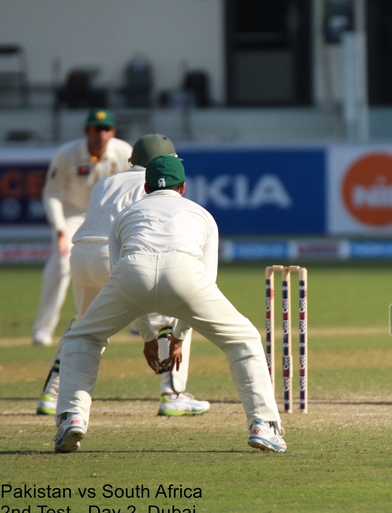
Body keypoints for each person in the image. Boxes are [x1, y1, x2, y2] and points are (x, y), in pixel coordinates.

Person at [53, 155, 285, 454]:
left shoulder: (125, 215)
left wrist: (148, 337)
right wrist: (178, 336)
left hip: (133, 272)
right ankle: (262, 425)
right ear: (183, 187)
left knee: (83, 336)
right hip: (184, 274)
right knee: (243, 340)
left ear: (146, 187)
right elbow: (206, 280)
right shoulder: (201, 214)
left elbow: (117, 277)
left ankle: (72, 417)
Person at [36, 134, 211, 418]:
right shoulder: (155, 185)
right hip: (115, 255)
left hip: (81, 256)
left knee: (84, 327)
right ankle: (173, 395)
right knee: (170, 318)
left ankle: (52, 395)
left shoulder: (106, 181)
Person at [32, 109, 131, 346]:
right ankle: (43, 329)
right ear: (87, 131)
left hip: (109, 215)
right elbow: (52, 194)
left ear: (113, 131)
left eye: (106, 129)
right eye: (96, 129)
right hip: (75, 215)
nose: (102, 134)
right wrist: (60, 229)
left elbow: (135, 187)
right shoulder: (67, 154)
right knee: (60, 263)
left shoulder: (124, 152)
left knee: (129, 261)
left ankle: (141, 323)